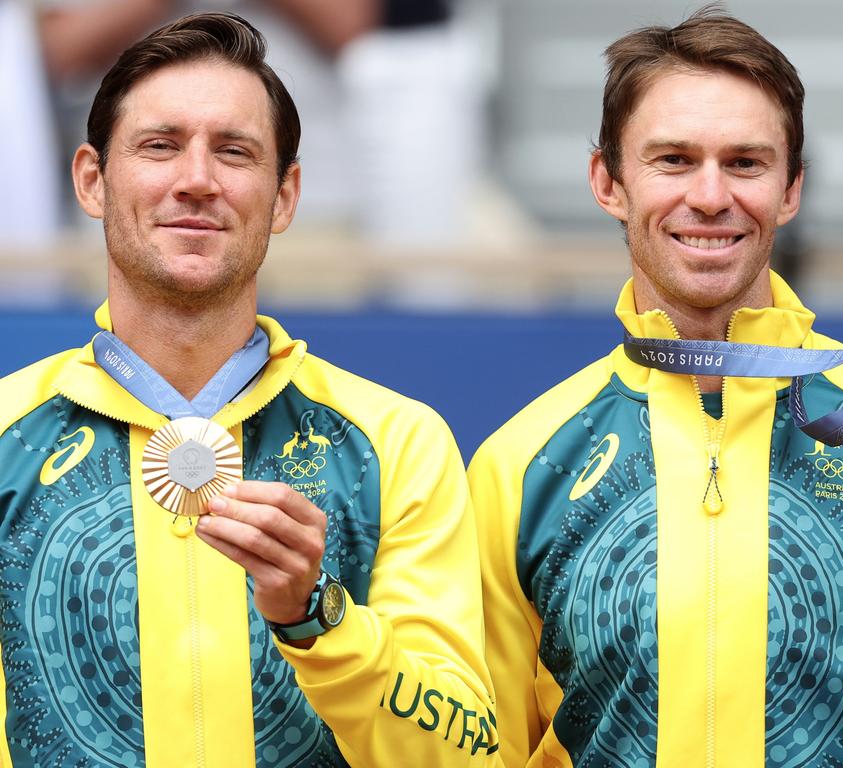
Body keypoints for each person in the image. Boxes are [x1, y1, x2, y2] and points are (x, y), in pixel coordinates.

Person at [468, 9, 843, 768]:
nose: (709, 195)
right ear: (607, 181)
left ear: (791, 188)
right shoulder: (520, 464)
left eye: (745, 163)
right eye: (672, 159)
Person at [0, 12, 498, 767]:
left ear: (285, 195)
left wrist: (320, 620)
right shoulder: (6, 431)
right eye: (160, 146)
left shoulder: (397, 443)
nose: (197, 181)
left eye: (234, 152)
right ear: (92, 181)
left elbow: (468, 753)